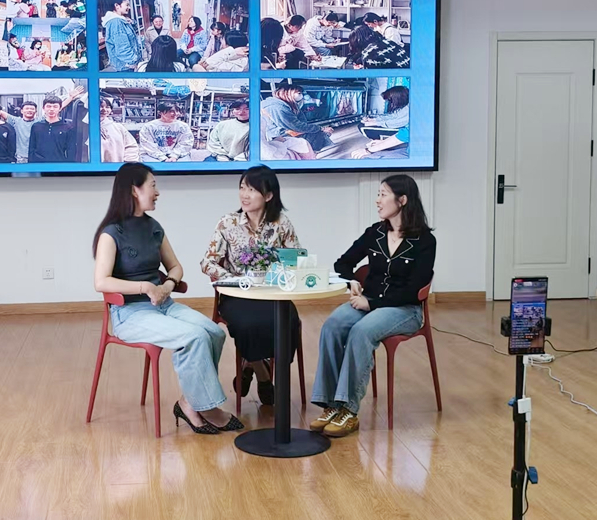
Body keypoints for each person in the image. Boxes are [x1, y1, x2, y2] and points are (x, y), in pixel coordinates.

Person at [93, 163, 243, 434]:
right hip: (130, 313)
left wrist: (168, 285)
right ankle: (207, 408)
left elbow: (175, 266)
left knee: (213, 332)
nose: (157, 192)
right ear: (134, 190)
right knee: (194, 337)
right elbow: (101, 282)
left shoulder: (154, 227)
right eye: (153, 185)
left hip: (164, 304)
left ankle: (189, 402)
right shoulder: (111, 233)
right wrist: (145, 287)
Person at [310, 175, 436, 437]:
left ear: (402, 200)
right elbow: (342, 263)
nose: (377, 200)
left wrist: (372, 303)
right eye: (378, 194)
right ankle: (331, 404)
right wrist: (352, 281)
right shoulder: (375, 233)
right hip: (367, 302)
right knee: (332, 325)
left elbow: (413, 290)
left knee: (361, 332)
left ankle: (349, 410)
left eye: (383, 194)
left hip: (405, 310)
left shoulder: (425, 241)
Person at [201, 166, 301, 405]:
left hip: (272, 293)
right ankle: (264, 376)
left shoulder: (281, 224)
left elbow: (296, 259)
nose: (244, 195)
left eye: (252, 190)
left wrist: (284, 271)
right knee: (248, 325)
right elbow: (207, 263)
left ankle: (248, 366)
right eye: (242, 188)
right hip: (238, 293)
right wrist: (233, 279)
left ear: (268, 195)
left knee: (288, 321)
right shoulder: (228, 223)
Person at [260, 85, 334, 152]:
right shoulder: (278, 108)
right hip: (281, 134)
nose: (301, 95)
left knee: (315, 132)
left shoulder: (288, 104)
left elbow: (301, 122)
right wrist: (320, 129)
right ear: (288, 93)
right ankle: (310, 153)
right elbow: (296, 126)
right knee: (318, 134)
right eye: (298, 93)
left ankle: (310, 152)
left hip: (286, 130)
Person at [29, 96, 78, 162]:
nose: (51, 109)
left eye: (55, 107)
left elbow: (71, 150)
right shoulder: (36, 126)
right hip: (39, 164)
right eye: (48, 106)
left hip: (59, 164)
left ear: (60, 108)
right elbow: (31, 148)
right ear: (43, 108)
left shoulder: (68, 127)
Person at [102, 0, 143, 72]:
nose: (129, 7)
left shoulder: (121, 20)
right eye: (127, 5)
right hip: (127, 66)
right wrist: (134, 62)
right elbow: (122, 48)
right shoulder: (116, 22)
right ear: (117, 6)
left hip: (128, 65)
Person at [99, 97, 139, 163]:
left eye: (107, 107)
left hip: (116, 166)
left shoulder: (118, 127)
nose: (104, 109)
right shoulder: (85, 127)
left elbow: (131, 146)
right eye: (100, 106)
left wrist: (129, 163)